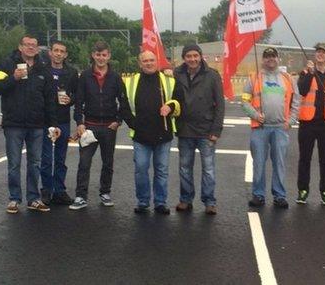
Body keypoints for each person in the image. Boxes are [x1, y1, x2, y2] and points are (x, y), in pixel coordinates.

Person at [0, 35, 60, 214]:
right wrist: (13, 78)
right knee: (14, 163)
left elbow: (50, 99)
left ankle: (33, 198)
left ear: (37, 49)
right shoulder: (7, 64)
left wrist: (53, 124)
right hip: (14, 123)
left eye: (34, 45)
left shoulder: (43, 68)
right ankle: (14, 199)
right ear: (20, 47)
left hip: (37, 124)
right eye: (27, 45)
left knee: (35, 163)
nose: (30, 48)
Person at [69, 41, 131, 210]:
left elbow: (123, 101)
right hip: (89, 126)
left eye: (104, 55)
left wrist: (118, 121)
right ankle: (81, 196)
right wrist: (79, 123)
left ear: (109, 56)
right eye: (98, 54)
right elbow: (79, 102)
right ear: (93, 55)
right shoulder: (85, 77)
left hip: (108, 128)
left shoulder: (116, 77)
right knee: (84, 163)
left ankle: (105, 193)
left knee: (108, 163)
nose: (101, 58)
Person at [124, 51, 183, 215]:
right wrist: (134, 124)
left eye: (151, 60)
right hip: (141, 136)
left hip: (163, 134)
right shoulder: (130, 82)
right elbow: (124, 106)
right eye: (145, 61)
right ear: (140, 63)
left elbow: (179, 101)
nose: (149, 63)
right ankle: (143, 202)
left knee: (162, 170)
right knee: (141, 169)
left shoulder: (169, 81)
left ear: (156, 61)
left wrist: (170, 107)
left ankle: (160, 202)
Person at [242, 47, 299, 209]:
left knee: (279, 163)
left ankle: (279, 195)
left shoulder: (288, 78)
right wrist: (254, 115)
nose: (270, 59)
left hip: (281, 128)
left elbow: (296, 101)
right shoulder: (254, 78)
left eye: (273, 56)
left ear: (277, 58)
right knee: (259, 163)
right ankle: (258, 195)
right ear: (263, 59)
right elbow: (245, 101)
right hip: (260, 128)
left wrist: (291, 121)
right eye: (267, 57)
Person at [173, 44, 225, 215]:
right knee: (184, 168)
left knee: (208, 169)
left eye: (195, 55)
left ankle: (209, 201)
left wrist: (216, 131)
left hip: (206, 130)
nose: (192, 59)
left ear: (201, 56)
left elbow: (220, 105)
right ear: (184, 58)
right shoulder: (177, 74)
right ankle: (186, 199)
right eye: (189, 56)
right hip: (185, 130)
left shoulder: (212, 76)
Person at [296, 42, 325, 205]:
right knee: (304, 159)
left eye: (324, 52)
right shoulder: (305, 72)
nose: (320, 54)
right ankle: (302, 191)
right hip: (307, 123)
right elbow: (302, 90)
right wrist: (309, 73)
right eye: (318, 51)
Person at [39, 40, 78, 206]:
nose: (58, 54)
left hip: (63, 120)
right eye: (56, 50)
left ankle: (59, 190)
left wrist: (71, 100)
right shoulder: (41, 70)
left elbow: (78, 94)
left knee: (61, 158)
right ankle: (46, 190)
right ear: (50, 52)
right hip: (45, 120)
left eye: (62, 51)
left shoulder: (71, 72)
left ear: (66, 54)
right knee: (46, 158)